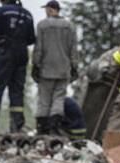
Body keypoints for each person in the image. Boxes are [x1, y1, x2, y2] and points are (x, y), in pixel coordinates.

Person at [0, 0, 36, 133]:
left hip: (5, 53)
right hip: (22, 54)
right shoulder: (28, 14)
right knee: (17, 90)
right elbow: (31, 39)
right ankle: (17, 126)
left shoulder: (3, 10)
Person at [32, 0, 77, 135]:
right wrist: (74, 66)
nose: (45, 11)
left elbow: (38, 48)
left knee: (44, 98)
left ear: (51, 9)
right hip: (63, 69)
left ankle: (42, 128)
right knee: (59, 98)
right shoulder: (69, 26)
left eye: (46, 9)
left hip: (46, 69)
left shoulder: (42, 25)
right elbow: (73, 48)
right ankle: (54, 126)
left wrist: (35, 65)